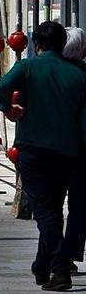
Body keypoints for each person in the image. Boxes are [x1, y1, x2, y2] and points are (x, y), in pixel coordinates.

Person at [0, 21, 86, 291]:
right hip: (67, 151)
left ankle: (59, 268)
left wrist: (7, 107)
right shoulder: (79, 75)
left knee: (45, 211)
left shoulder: (28, 67)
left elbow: (3, 85)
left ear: (37, 44)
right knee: (54, 208)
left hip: (33, 148)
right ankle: (41, 265)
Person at [62, 27, 86, 274]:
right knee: (78, 206)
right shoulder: (81, 75)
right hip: (79, 150)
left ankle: (53, 253)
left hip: (49, 148)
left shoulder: (41, 72)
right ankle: (67, 254)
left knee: (50, 206)